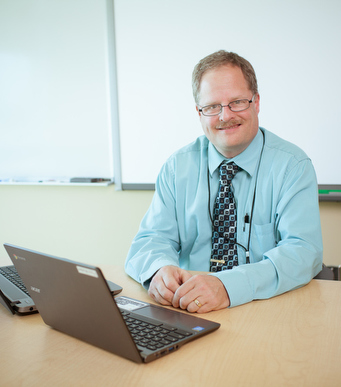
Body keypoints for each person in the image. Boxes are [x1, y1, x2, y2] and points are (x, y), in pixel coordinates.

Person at [125, 50, 323, 313]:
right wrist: (160, 270)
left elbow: (303, 252)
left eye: (237, 102)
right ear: (199, 112)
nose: (225, 116)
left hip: (266, 308)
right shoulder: (177, 167)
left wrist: (228, 287)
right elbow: (151, 240)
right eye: (212, 106)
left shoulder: (292, 166)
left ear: (257, 102)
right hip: (189, 308)